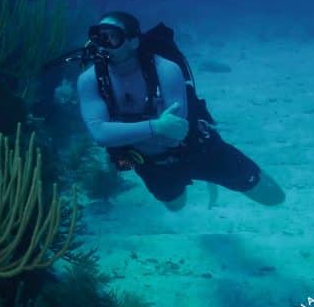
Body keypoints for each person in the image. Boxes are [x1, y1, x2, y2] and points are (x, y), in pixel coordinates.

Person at [76, 11, 285, 211]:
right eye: (98, 37)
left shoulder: (166, 69)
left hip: (199, 149)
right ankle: (192, 184)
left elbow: (175, 135)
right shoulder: (89, 80)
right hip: (150, 164)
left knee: (273, 197)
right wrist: (157, 125)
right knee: (176, 206)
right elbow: (100, 134)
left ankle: (212, 179)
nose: (102, 46)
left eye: (112, 38)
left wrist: (127, 132)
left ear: (133, 41)